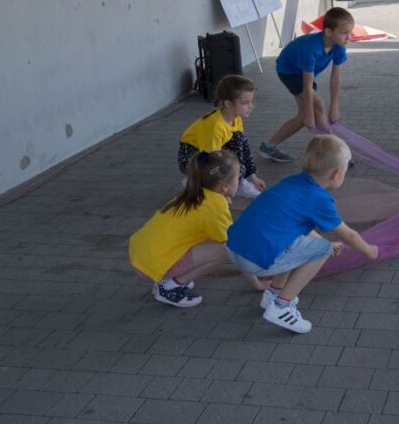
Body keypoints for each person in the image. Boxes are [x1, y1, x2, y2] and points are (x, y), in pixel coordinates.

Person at [227, 135, 379, 333]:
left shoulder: (292, 182)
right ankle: (281, 307)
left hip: (235, 249)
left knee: (294, 245)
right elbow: (349, 235)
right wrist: (370, 251)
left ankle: (272, 294)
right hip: (255, 260)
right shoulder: (319, 198)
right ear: (336, 174)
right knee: (322, 250)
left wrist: (323, 243)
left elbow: (299, 228)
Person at [130, 151, 265, 308]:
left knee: (218, 242)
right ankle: (170, 287)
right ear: (224, 187)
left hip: (143, 255)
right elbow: (235, 248)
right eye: (237, 179)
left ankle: (169, 279)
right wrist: (258, 284)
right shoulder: (215, 207)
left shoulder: (195, 192)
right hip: (154, 264)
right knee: (226, 250)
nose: (239, 182)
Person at [260, 7, 353, 163]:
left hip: (303, 73)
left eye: (350, 32)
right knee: (317, 108)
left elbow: (335, 77)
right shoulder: (311, 49)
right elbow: (307, 83)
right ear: (328, 32)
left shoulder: (339, 46)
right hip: (289, 71)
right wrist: (310, 114)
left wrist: (334, 107)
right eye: (344, 33)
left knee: (305, 116)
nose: (349, 37)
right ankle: (335, 154)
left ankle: (269, 146)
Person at [178, 74, 266, 199]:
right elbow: (210, 159)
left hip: (212, 152)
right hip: (194, 157)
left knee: (240, 142)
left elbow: (244, 150)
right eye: (245, 102)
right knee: (223, 166)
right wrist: (223, 192)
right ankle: (194, 182)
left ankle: (238, 182)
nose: (251, 106)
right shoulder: (214, 126)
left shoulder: (236, 118)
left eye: (252, 101)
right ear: (228, 103)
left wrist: (253, 177)